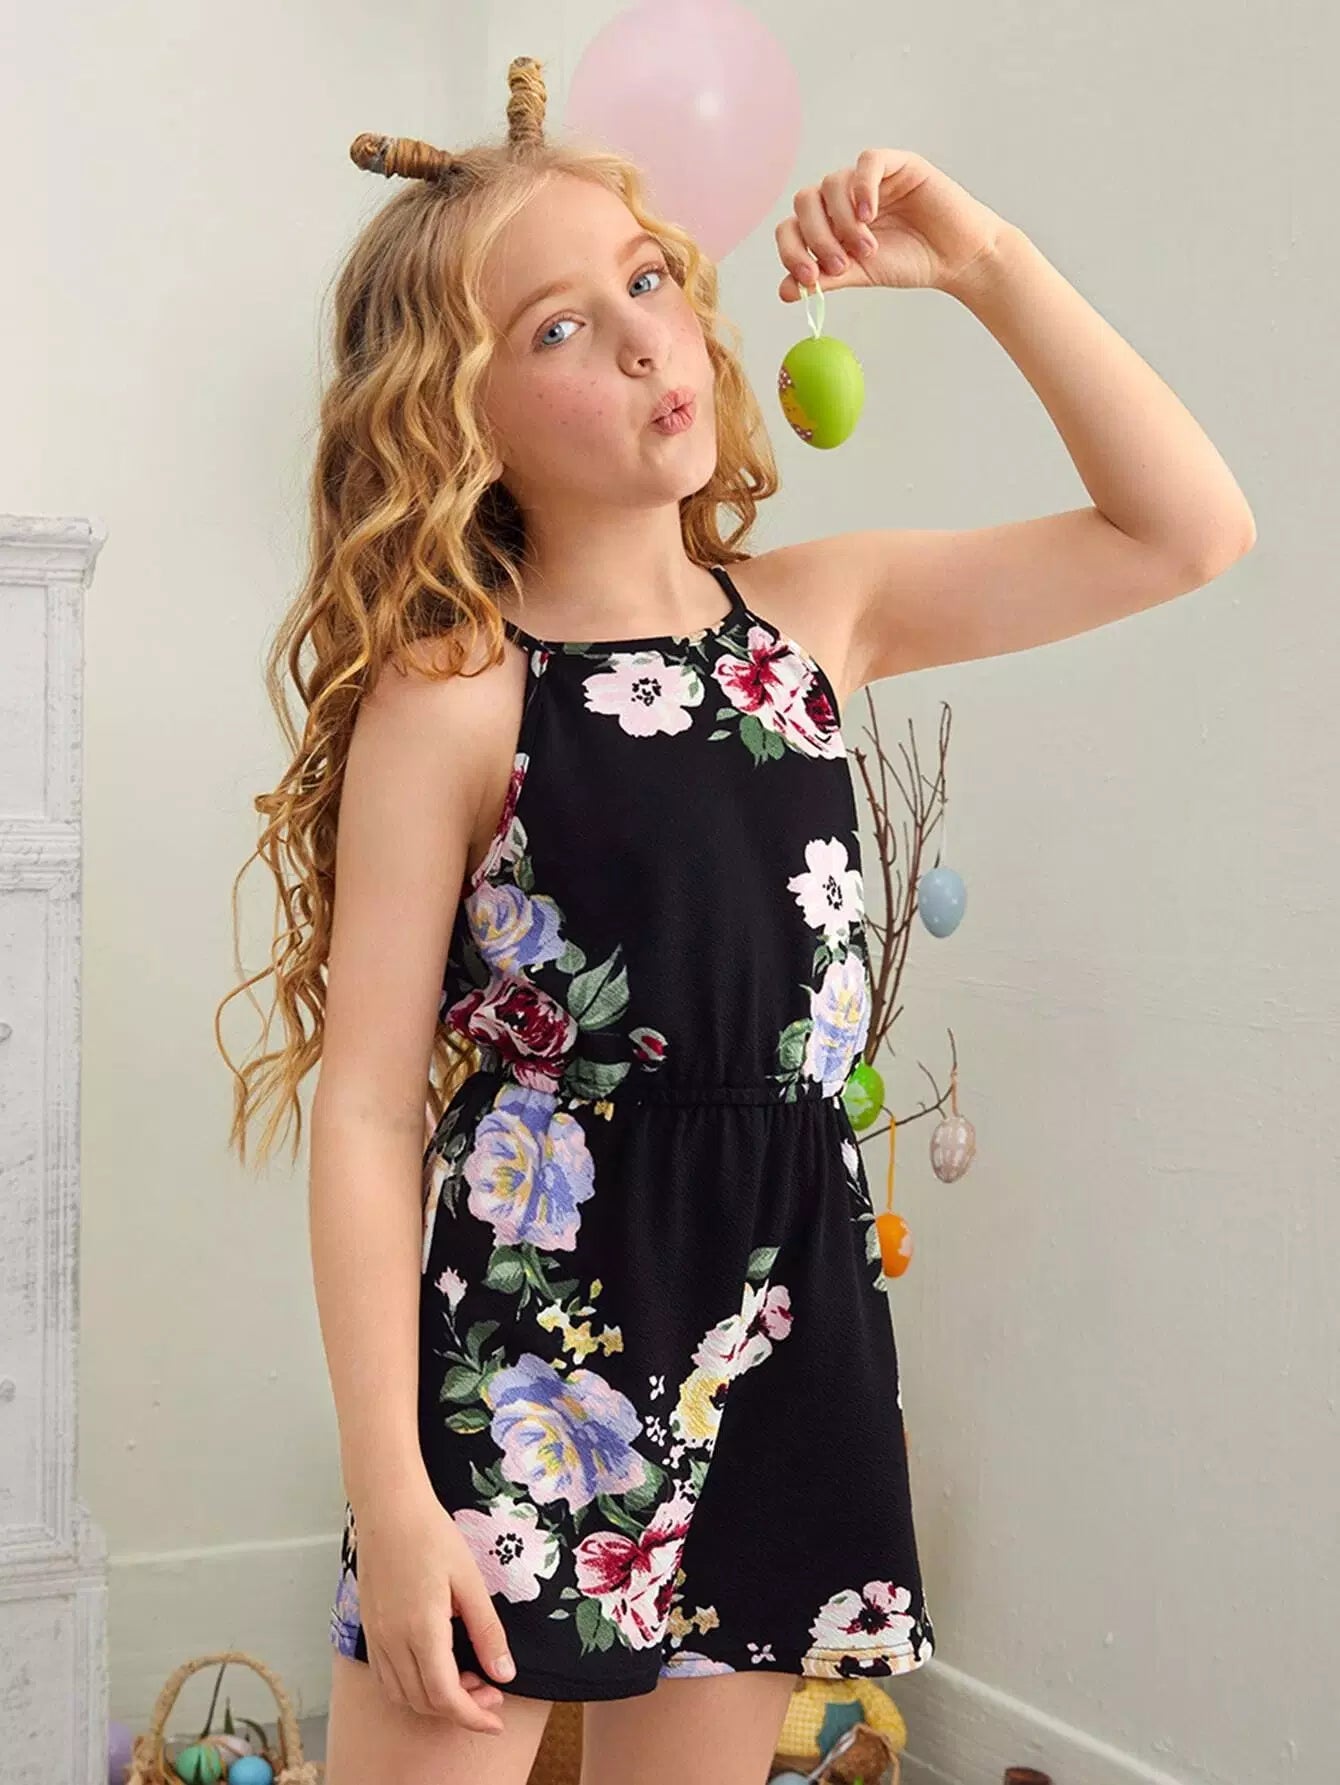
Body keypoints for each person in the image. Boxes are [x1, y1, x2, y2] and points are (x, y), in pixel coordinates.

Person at [216, 52, 1255, 1785]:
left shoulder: (818, 617)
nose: (641, 342)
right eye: (558, 326)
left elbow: (1188, 527)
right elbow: (373, 1108)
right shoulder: (456, 696)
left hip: (781, 1320)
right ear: (459, 414)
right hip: (529, 1350)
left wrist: (984, 260)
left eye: (646, 281)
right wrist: (393, 1495)